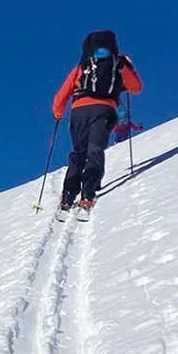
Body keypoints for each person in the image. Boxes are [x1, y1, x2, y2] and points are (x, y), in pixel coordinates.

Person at [51, 30, 143, 217]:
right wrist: (128, 68)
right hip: (104, 110)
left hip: (79, 111)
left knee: (79, 152)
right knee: (95, 150)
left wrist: (58, 112)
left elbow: (64, 92)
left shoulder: (83, 65)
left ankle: (68, 194)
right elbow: (136, 88)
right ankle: (88, 192)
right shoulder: (118, 63)